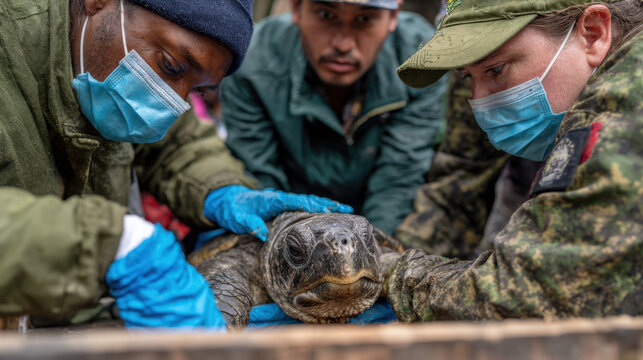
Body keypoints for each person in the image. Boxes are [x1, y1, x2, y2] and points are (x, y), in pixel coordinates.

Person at [0, 0, 352, 330]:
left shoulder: (111, 66)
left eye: (198, 91)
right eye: (171, 65)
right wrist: (111, 245)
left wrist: (221, 189)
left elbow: (176, 142)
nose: (171, 100)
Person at [385, 0, 643, 321]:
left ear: (592, 34)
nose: (479, 100)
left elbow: (531, 293)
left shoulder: (630, 101)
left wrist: (387, 274)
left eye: (496, 70)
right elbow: (460, 181)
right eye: (467, 77)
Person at [220, 0, 447, 235]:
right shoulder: (254, 60)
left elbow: (397, 181)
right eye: (326, 15)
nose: (343, 44)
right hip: (291, 229)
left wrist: (372, 253)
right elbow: (261, 182)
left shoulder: (421, 57)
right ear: (296, 8)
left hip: (379, 226)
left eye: (365, 19)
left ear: (393, 17)